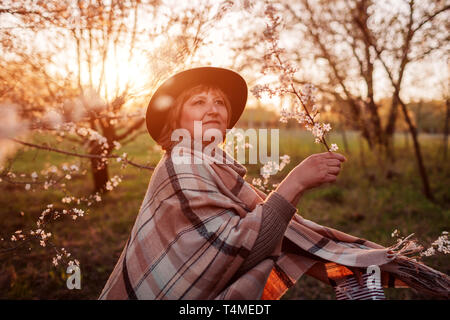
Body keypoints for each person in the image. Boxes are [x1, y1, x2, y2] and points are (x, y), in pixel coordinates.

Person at [99, 67, 449, 300]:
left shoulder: (213, 165)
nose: (213, 108)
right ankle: (352, 276)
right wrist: (294, 182)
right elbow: (247, 246)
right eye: (199, 101)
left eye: (220, 102)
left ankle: (352, 276)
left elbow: (254, 234)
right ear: (176, 117)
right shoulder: (182, 164)